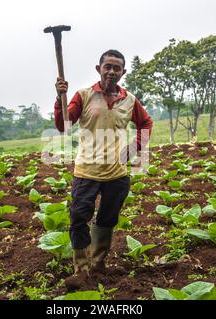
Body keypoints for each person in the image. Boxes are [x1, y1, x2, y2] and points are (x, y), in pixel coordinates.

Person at [53, 49, 153, 290]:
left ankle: (98, 264)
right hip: (86, 171)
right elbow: (63, 126)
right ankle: (81, 270)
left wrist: (133, 149)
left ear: (123, 72)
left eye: (116, 68)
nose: (111, 71)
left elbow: (146, 123)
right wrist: (60, 99)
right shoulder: (84, 95)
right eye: (107, 66)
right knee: (78, 219)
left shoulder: (129, 100)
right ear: (99, 69)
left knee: (107, 219)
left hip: (116, 174)